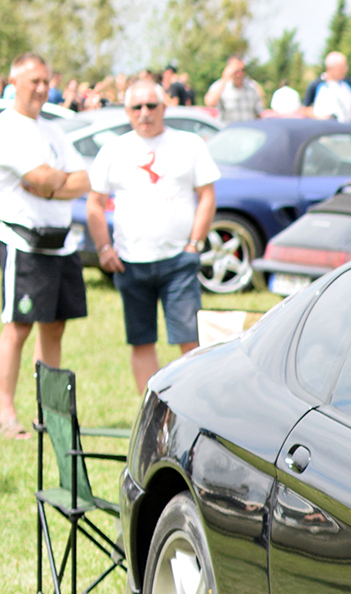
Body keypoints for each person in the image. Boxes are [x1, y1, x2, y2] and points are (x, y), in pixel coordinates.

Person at [86, 79, 218, 398]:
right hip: (131, 262)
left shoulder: (189, 144)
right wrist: (104, 248)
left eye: (151, 106)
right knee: (141, 340)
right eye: (136, 107)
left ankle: (194, 405)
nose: (144, 113)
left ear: (164, 107)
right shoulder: (114, 149)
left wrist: (194, 244)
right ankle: (152, 411)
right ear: (127, 111)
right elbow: (95, 202)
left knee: (189, 339)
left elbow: (207, 196)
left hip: (178, 261)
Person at [0, 53, 90, 438]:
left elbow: (85, 179)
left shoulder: (54, 132)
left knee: (54, 326)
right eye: (33, 80)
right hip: (24, 242)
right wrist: (55, 180)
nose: (41, 88)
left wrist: (52, 188)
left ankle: (48, 414)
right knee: (18, 327)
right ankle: (5, 414)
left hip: (61, 244)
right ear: (14, 82)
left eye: (45, 81)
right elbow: (38, 174)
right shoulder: (8, 128)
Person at [303, 52, 351, 123]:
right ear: (330, 68)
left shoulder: (348, 83)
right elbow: (305, 109)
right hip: (325, 130)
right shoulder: (317, 84)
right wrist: (322, 118)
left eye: (345, 67)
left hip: (346, 130)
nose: (345, 70)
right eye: (341, 68)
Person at [204, 54, 263, 123]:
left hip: (247, 131)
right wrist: (225, 78)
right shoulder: (220, 86)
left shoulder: (252, 87)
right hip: (229, 131)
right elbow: (210, 103)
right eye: (236, 71)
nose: (240, 74)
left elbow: (258, 114)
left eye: (243, 70)